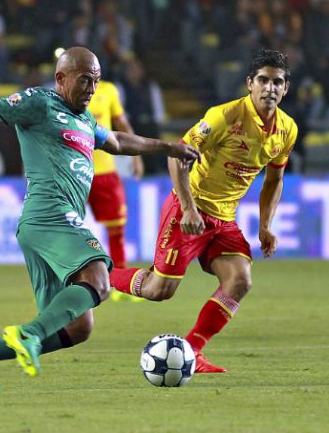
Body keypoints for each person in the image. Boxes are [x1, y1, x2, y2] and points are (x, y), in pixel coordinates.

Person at [0, 47, 200, 390]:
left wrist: (168, 147)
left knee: (78, 327)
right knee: (99, 279)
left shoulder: (84, 120)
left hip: (43, 226)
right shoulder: (39, 103)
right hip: (49, 214)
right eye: (85, 80)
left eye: (96, 82)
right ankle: (28, 334)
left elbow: (116, 140)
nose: (91, 89)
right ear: (61, 78)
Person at [107, 49, 298, 373]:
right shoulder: (223, 117)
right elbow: (177, 156)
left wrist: (265, 226)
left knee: (240, 280)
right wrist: (188, 209)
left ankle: (192, 351)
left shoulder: (287, 129)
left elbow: (274, 179)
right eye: (263, 80)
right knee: (159, 290)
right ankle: (100, 273)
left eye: (277, 82)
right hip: (189, 210)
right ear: (250, 83)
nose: (270, 88)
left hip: (223, 219)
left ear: (286, 88)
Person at [86, 80, 144, 302]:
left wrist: (136, 156)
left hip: (105, 173)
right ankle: (58, 286)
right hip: (73, 173)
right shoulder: (62, 93)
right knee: (62, 231)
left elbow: (121, 123)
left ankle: (119, 284)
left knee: (117, 230)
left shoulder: (109, 90)